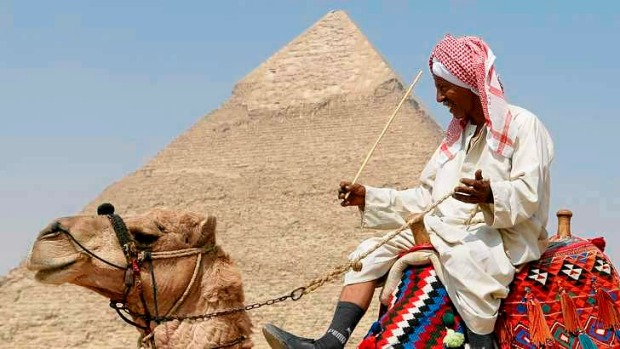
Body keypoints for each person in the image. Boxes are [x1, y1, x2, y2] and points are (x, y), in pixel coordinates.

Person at [262, 34, 554, 349]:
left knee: (470, 262)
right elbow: (424, 200)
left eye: (444, 87)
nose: (439, 98)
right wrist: (369, 198)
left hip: (498, 234)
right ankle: (329, 344)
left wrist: (491, 195)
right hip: (444, 227)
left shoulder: (524, 126)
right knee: (366, 254)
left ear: (469, 83)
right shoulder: (457, 139)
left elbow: (530, 192)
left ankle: (483, 343)